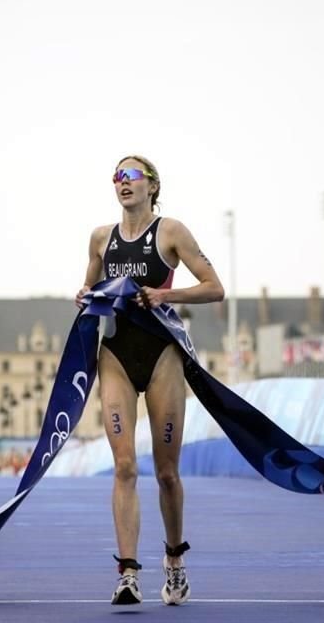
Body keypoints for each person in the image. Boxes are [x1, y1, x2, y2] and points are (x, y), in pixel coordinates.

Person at [75, 155, 224, 606]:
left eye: (132, 175)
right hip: (117, 356)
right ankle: (127, 574)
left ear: (152, 186)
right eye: (117, 176)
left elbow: (214, 287)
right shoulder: (101, 238)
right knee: (124, 466)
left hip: (162, 358)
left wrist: (165, 294)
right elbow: (87, 296)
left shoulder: (171, 232)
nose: (123, 182)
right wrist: (83, 296)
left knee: (166, 473)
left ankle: (175, 561)